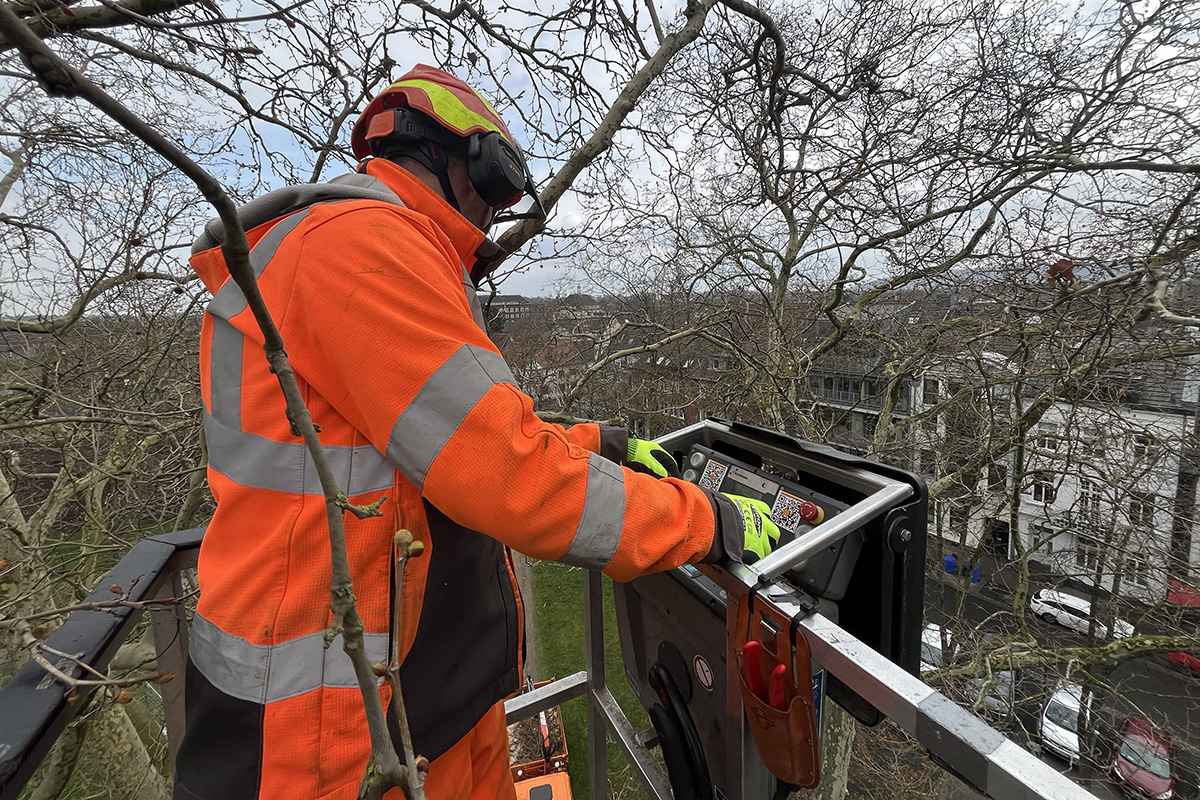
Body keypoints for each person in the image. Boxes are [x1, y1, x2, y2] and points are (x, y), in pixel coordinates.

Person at [173, 64, 780, 800]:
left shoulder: (375, 249)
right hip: (328, 735)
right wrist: (708, 522)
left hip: (423, 696)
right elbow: (511, 475)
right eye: (499, 186)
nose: (497, 213)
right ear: (463, 158)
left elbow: (448, 439)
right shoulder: (360, 246)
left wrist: (603, 446)